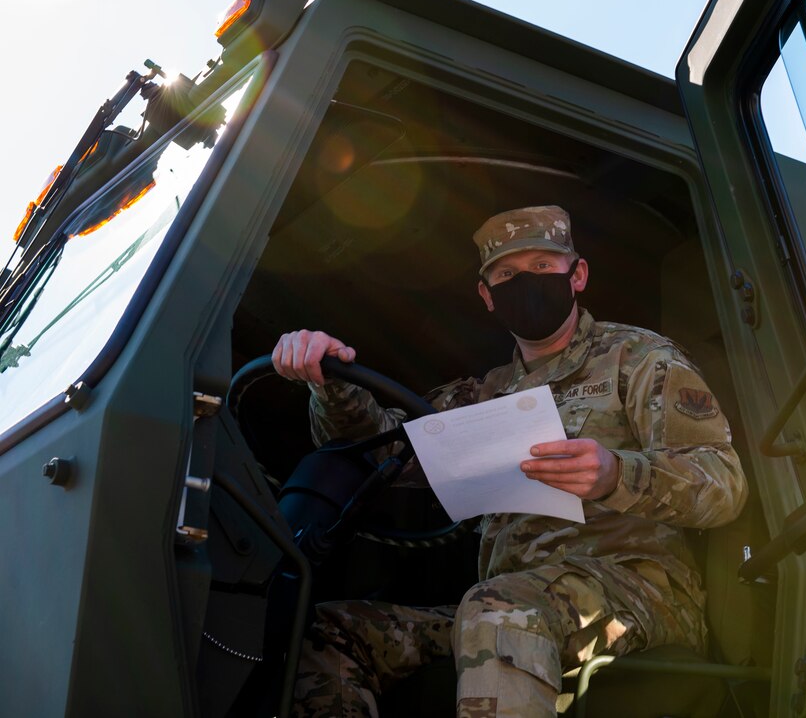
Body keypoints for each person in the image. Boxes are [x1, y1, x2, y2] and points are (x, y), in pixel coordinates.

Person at [279, 205, 748, 717]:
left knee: (498, 606)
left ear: (578, 274)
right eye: (506, 274)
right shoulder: (487, 394)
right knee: (332, 630)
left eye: (543, 266)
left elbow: (723, 485)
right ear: (487, 296)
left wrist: (616, 474)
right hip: (511, 604)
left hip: (639, 595)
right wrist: (328, 379)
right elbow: (381, 450)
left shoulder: (638, 360)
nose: (525, 282)